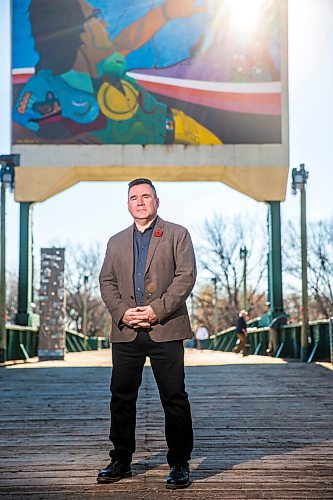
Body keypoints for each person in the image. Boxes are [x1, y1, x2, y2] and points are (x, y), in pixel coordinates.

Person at [98, 178, 196, 489]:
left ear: (156, 201)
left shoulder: (177, 234)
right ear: (128, 204)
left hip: (165, 328)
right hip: (127, 331)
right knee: (122, 397)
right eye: (134, 198)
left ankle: (179, 463)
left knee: (174, 397)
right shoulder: (115, 241)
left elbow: (186, 277)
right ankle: (121, 460)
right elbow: (106, 282)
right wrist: (121, 313)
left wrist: (157, 311)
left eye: (146, 196)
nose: (140, 202)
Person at [14, 0, 221, 145]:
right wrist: (60, 145)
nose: (106, 23)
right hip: (152, 157)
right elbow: (18, 131)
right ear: (78, 33)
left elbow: (130, 38)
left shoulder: (105, 61)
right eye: (97, 17)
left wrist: (167, 12)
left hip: (185, 131)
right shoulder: (47, 83)